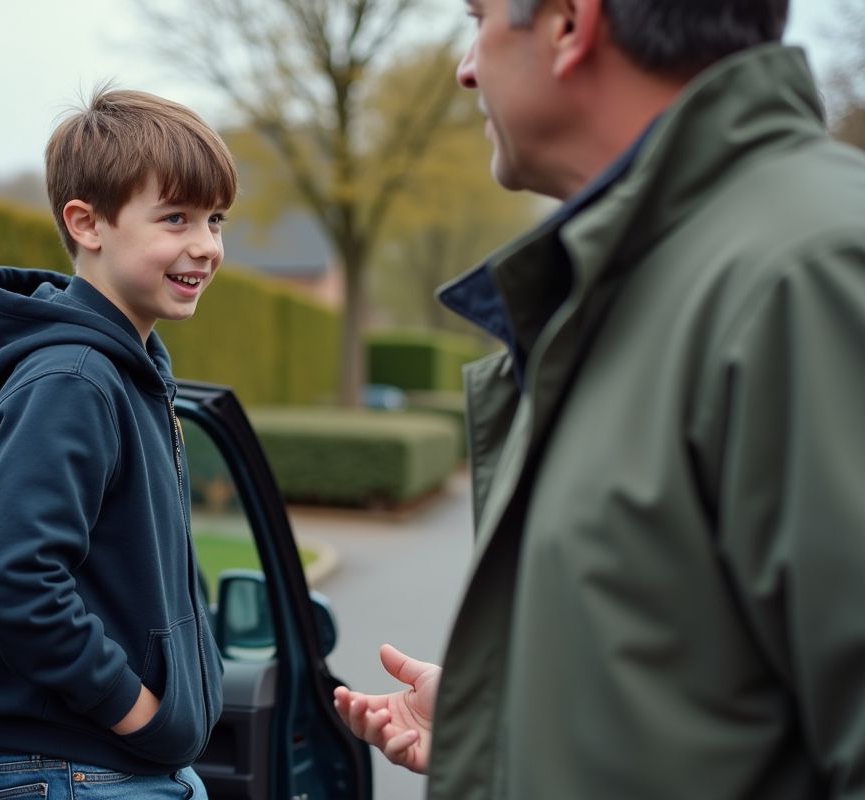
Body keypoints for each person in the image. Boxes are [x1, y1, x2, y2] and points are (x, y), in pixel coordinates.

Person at [334, 0, 865, 797]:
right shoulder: (636, 290)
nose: (466, 67)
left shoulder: (811, 276)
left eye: (477, 18)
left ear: (568, 25)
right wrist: (504, 739)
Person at [0, 88, 236, 799]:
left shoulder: (125, 372)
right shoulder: (75, 381)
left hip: (116, 770)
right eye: (175, 218)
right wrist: (141, 716)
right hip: (82, 774)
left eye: (215, 219)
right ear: (87, 223)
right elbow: (16, 581)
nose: (205, 244)